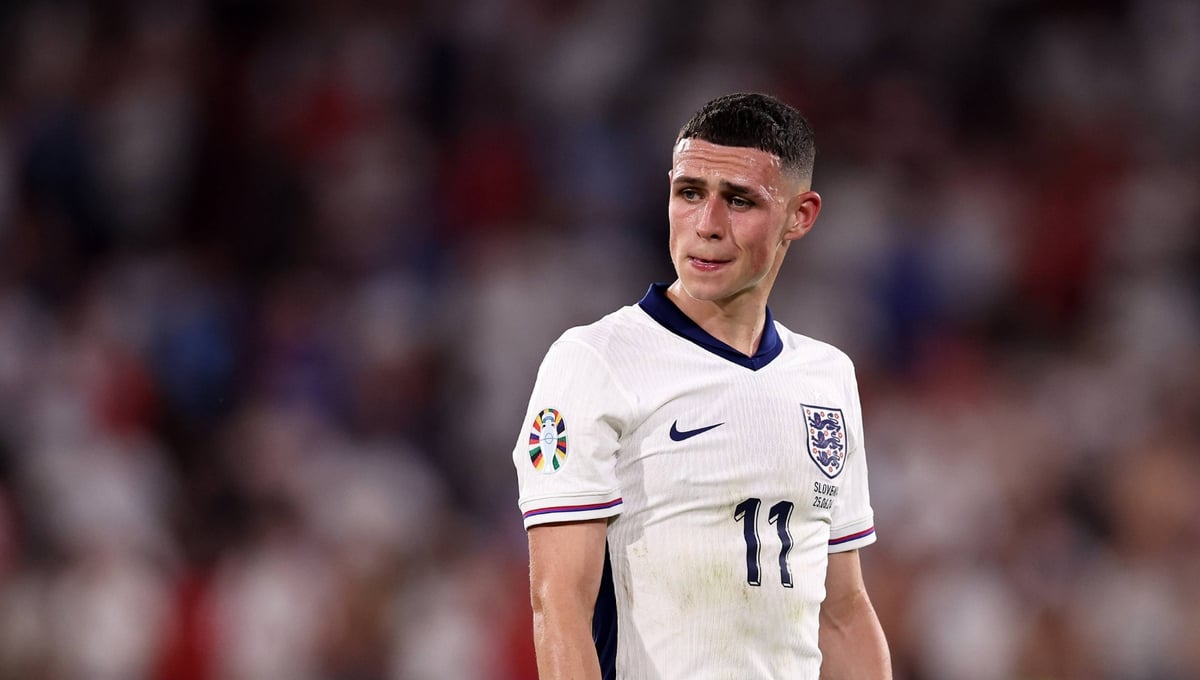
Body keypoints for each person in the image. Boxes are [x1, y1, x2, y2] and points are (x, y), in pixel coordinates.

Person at [512, 92, 891, 679]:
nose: (707, 225)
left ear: (801, 215)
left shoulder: (828, 377)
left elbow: (842, 612)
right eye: (690, 193)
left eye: (739, 200)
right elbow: (559, 603)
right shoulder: (595, 362)